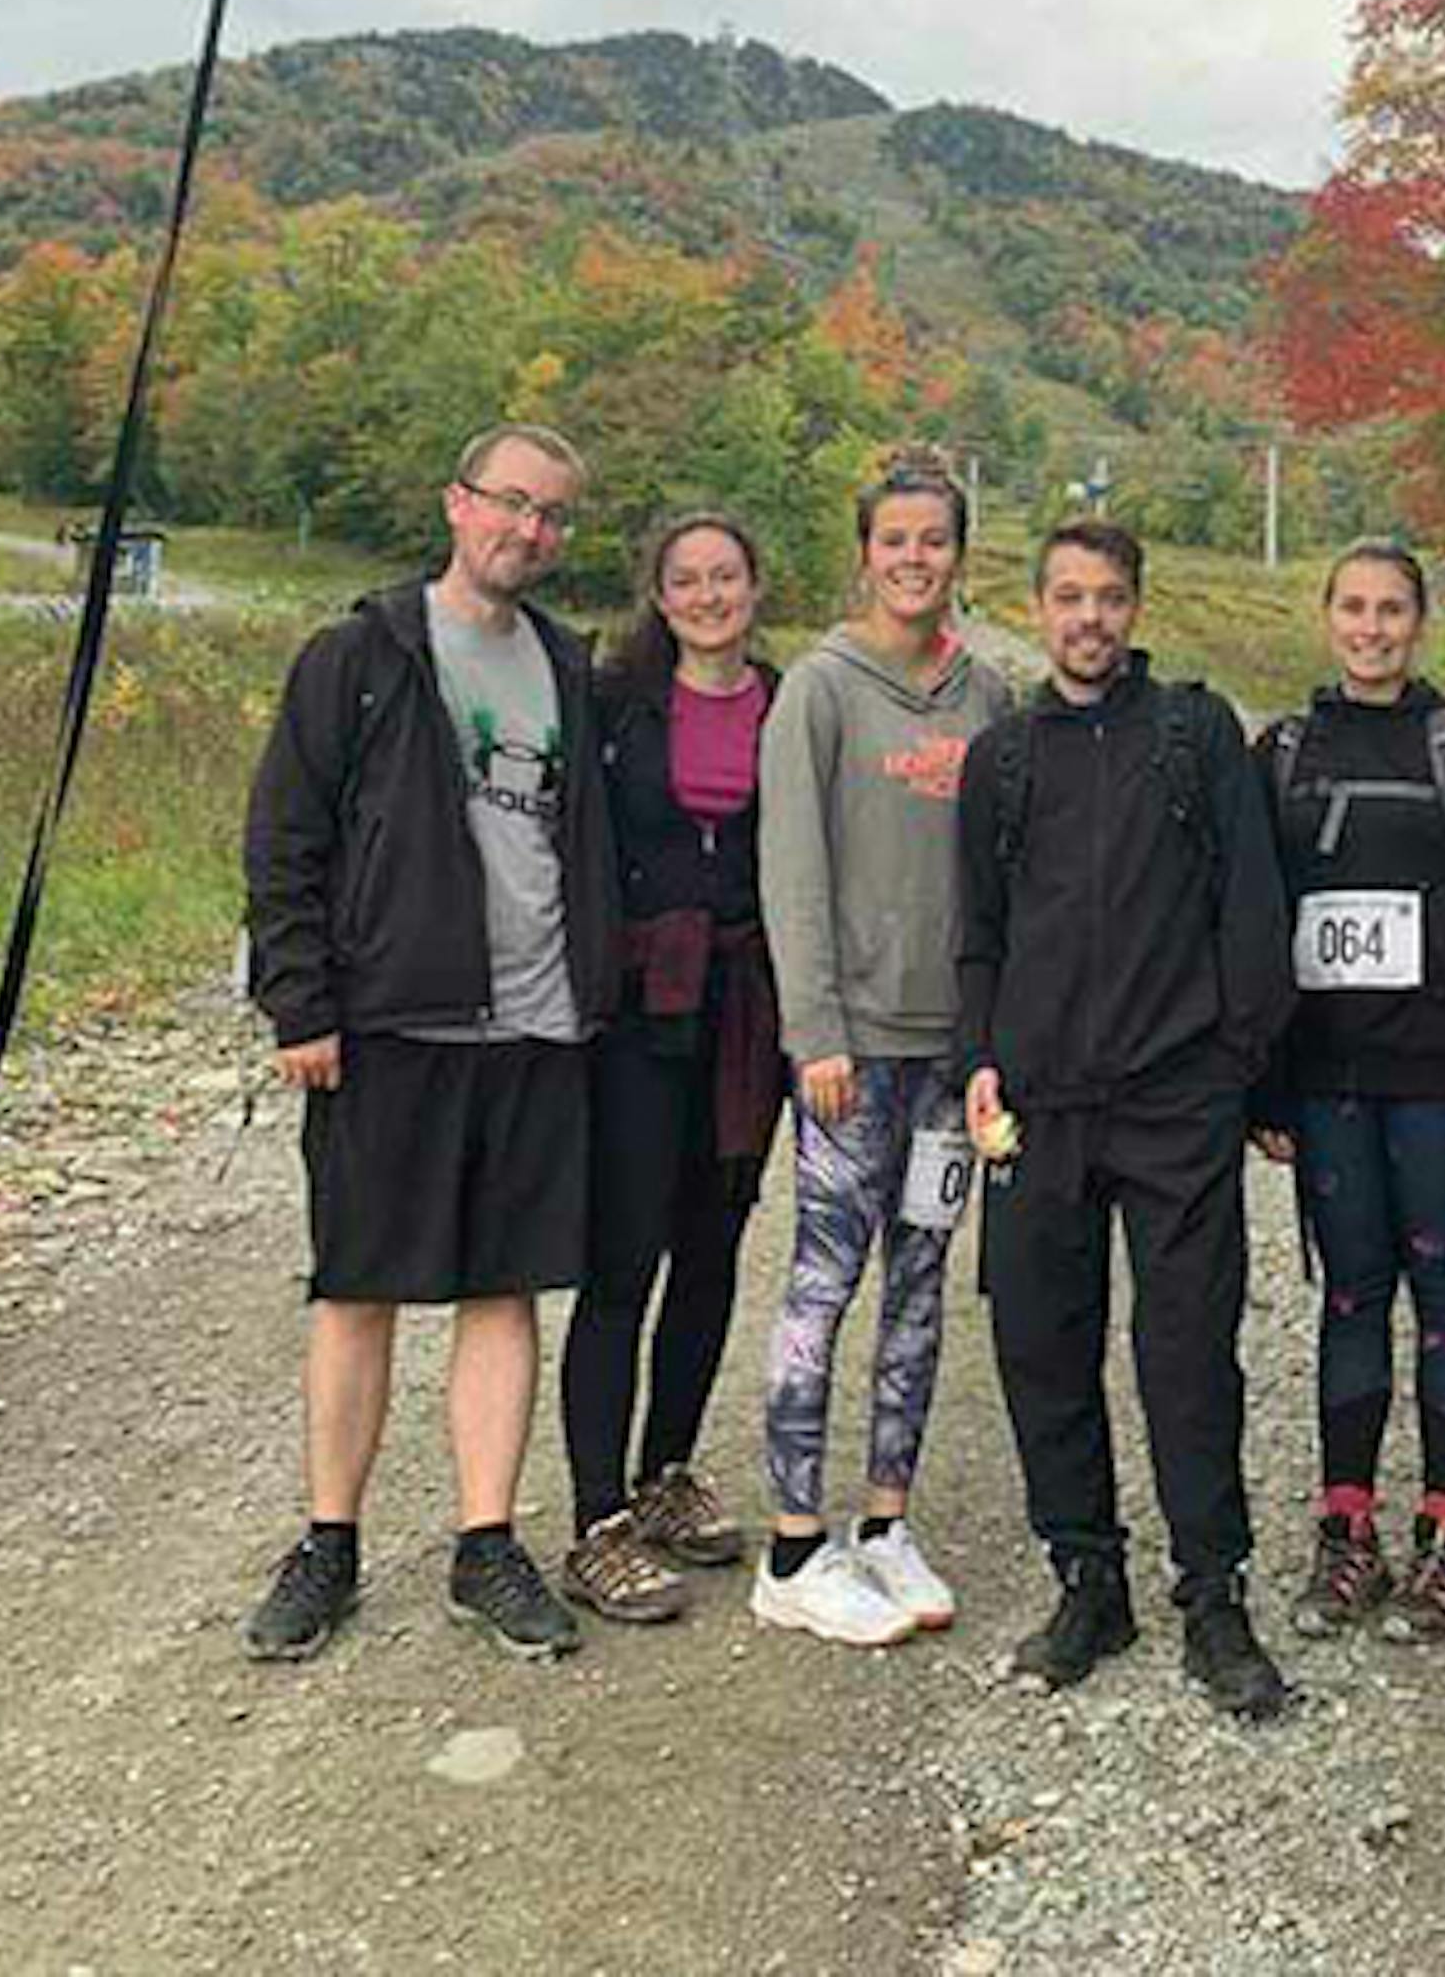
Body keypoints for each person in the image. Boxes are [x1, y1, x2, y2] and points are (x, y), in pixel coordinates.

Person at [237, 422, 621, 1663]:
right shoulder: (359, 656)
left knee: (502, 1285)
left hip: (536, 1022)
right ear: (457, 504)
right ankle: (327, 1543)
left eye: (553, 514)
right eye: (511, 503)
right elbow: (285, 840)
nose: (530, 530)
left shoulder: (566, 666)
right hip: (394, 1021)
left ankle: (486, 1542)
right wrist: (302, 1004)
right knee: (358, 1287)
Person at [960, 520, 1299, 1720]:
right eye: (1067, 597)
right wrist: (980, 1060)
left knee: (1188, 1356)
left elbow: (1251, 906)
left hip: (1174, 1099)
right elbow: (981, 935)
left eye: (1109, 597)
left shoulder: (1194, 735)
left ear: (1136, 606)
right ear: (1038, 608)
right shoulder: (1000, 759)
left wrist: (1238, 1068)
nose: (1089, 618)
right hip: (1040, 1110)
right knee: (1043, 1350)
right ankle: (1088, 1579)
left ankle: (1215, 1597)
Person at [1247, 542, 1445, 1646]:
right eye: (1355, 609)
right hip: (1326, 1084)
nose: (1372, 628)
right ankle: (1347, 1526)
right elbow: (1252, 925)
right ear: (1328, 619)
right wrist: (1261, 1083)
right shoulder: (1278, 751)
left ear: (1421, 624)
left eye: (1392, 611)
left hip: (1437, 1081)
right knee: (1351, 1296)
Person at [746, 456, 1014, 1648]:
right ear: (865, 553)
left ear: (960, 554)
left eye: (935, 540)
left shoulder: (987, 697)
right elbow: (790, 873)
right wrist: (814, 1031)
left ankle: (884, 1521)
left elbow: (1011, 879)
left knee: (920, 1282)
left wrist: (997, 1040)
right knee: (824, 1280)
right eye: (895, 540)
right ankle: (794, 1544)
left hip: (947, 1057)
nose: (915, 559)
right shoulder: (820, 689)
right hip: (850, 1053)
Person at [557, 511, 784, 1626]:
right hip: (639, 1005)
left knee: (711, 1247)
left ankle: (667, 1471)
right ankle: (595, 1519)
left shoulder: (791, 703)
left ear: (754, 585)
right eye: (686, 579)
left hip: (747, 1010)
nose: (707, 596)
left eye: (725, 576)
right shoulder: (611, 702)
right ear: (658, 592)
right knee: (622, 1257)